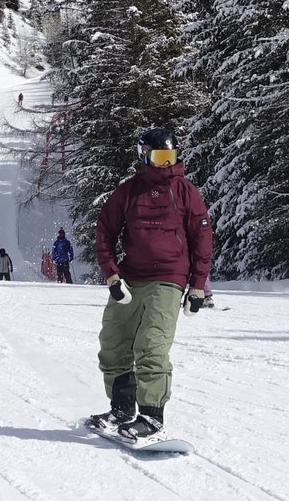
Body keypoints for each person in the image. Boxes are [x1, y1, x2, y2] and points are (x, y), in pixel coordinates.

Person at [87, 126, 214, 443]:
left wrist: (197, 286)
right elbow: (105, 232)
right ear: (144, 156)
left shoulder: (185, 190)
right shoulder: (128, 192)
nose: (165, 164)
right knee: (113, 343)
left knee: (151, 345)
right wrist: (112, 275)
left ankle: (152, 418)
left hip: (169, 278)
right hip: (130, 278)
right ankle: (121, 411)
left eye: (170, 157)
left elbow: (202, 239)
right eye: (159, 157)